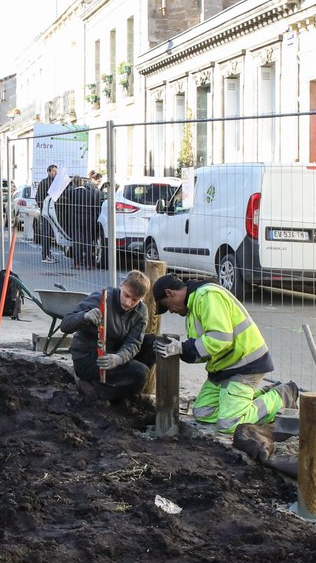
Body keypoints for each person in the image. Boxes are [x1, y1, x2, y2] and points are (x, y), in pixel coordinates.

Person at [151, 274, 298, 433]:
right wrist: (179, 351)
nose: (171, 312)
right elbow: (204, 349)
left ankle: (281, 396)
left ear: (170, 293)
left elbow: (220, 339)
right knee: (203, 412)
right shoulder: (193, 308)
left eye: (167, 307)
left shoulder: (208, 296)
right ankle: (251, 399)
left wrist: (182, 348)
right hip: (225, 367)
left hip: (245, 365)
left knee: (229, 423)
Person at [60, 271, 158, 403]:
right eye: (126, 295)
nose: (128, 303)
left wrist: (119, 358)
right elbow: (65, 325)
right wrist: (84, 316)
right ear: (121, 285)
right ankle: (97, 389)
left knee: (152, 343)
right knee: (140, 372)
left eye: (135, 300)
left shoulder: (141, 311)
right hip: (89, 356)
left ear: (142, 298)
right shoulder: (101, 298)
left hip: (115, 353)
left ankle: (113, 391)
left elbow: (134, 343)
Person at [35, 164, 58, 263]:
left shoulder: (55, 183)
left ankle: (48, 254)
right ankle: (45, 255)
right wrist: (44, 208)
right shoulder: (44, 183)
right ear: (48, 172)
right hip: (46, 213)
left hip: (54, 213)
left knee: (50, 234)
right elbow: (38, 198)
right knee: (46, 234)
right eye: (53, 171)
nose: (55, 173)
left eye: (56, 171)